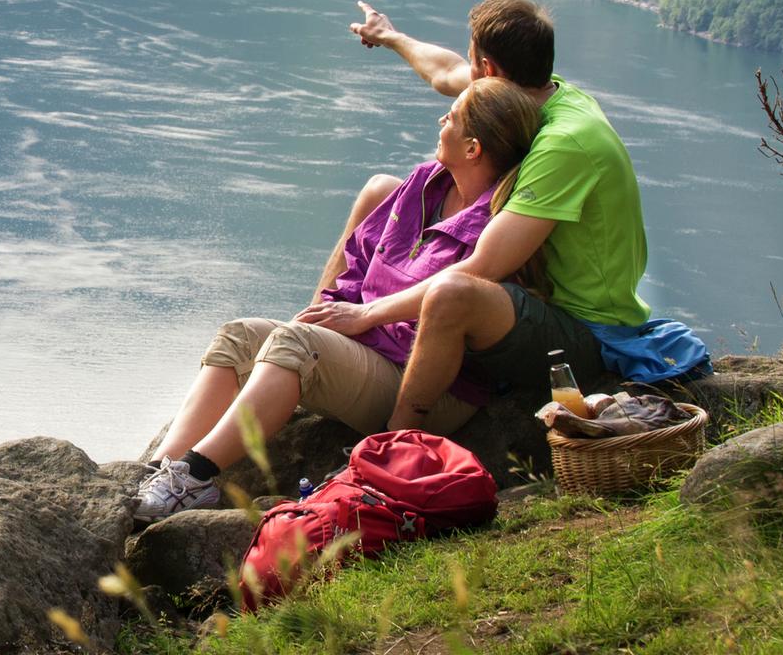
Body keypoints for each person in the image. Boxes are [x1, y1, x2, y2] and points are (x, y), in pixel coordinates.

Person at [135, 77, 544, 524]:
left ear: (474, 149)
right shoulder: (424, 184)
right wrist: (329, 315)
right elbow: (361, 262)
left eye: (454, 117)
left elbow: (454, 320)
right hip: (367, 350)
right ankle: (159, 471)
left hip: (424, 382)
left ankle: (194, 478)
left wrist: (330, 333)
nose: (440, 119)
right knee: (240, 335)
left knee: (298, 345)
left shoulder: (495, 229)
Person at [335, 0, 650, 433]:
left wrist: (367, 315)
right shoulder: (534, 92)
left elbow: (483, 267)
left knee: (453, 291)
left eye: (472, 59)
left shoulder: (563, 142)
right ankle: (319, 320)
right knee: (382, 192)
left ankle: (397, 438)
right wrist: (389, 36)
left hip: (583, 327)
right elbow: (444, 72)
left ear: (489, 69)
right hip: (541, 298)